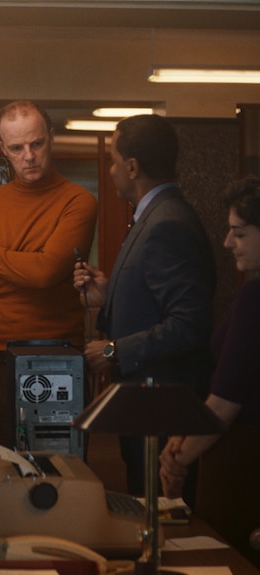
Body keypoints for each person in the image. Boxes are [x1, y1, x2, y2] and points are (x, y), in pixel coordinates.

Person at [73, 114, 216, 497]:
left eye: (115, 160)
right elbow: (155, 302)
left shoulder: (166, 223)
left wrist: (114, 349)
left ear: (133, 167)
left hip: (162, 410)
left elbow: (191, 323)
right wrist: (109, 293)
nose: (112, 169)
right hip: (145, 406)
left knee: (162, 520)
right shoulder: (152, 216)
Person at [0, 100, 98, 454]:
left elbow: (47, 272)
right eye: (17, 148)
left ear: (52, 138)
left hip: (59, 356)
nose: (28, 155)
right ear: (3, 150)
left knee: (62, 475)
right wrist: (34, 269)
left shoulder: (78, 201)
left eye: (36, 144)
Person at [159, 176, 260, 567]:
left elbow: (225, 404)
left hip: (244, 466)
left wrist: (176, 460)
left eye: (239, 232)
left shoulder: (253, 298)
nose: (227, 242)